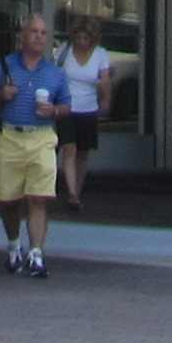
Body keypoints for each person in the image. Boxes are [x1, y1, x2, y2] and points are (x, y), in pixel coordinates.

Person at [0, 9, 67, 277]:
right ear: (22, 36)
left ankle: (36, 254)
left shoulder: (55, 73)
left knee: (38, 197)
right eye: (33, 31)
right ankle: (14, 245)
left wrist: (54, 110)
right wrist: (1, 94)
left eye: (43, 33)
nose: (39, 37)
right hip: (10, 136)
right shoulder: (5, 65)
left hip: (42, 137)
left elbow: (67, 105)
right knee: (8, 200)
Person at [54, 12, 114, 208]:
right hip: (67, 107)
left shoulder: (100, 54)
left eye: (85, 38)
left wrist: (106, 98)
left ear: (92, 39)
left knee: (83, 152)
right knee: (68, 148)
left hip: (88, 109)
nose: (81, 42)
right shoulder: (64, 51)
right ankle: (71, 193)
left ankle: (77, 191)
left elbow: (105, 79)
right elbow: (55, 74)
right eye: (78, 37)